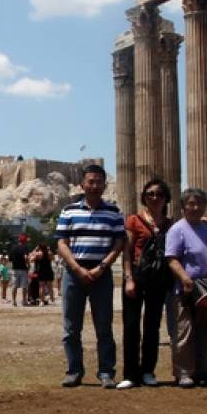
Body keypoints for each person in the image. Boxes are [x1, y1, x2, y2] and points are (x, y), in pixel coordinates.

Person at [55, 164, 125, 389]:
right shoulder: (69, 211)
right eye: (90, 182)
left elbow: (119, 243)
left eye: (99, 182)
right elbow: (61, 243)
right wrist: (76, 268)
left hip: (101, 274)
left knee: (104, 327)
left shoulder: (113, 212)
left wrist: (102, 267)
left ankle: (106, 372)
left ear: (105, 185)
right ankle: (74, 371)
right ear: (82, 184)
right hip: (74, 274)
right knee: (71, 328)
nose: (94, 186)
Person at [117, 179, 172, 389]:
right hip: (137, 277)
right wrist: (129, 278)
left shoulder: (170, 224)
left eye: (159, 194)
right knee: (131, 326)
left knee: (152, 326)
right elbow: (127, 251)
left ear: (166, 198)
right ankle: (130, 374)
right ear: (144, 197)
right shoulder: (134, 220)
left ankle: (148, 370)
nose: (154, 198)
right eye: (150, 194)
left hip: (157, 279)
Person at [165, 188, 207, 388]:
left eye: (199, 203)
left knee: (206, 332)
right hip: (186, 287)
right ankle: (183, 372)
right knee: (184, 331)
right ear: (183, 207)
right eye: (190, 203)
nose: (195, 207)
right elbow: (171, 258)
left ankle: (202, 370)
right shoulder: (177, 229)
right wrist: (184, 278)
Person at [8, 234, 30, 307]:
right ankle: (24, 301)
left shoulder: (13, 248)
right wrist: (28, 265)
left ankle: (14, 301)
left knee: (14, 286)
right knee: (24, 286)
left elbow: (10, 259)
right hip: (23, 269)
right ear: (24, 241)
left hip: (15, 269)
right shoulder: (25, 248)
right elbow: (26, 257)